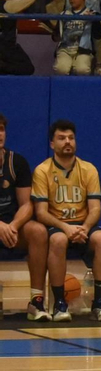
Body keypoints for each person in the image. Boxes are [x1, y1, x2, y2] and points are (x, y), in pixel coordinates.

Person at [26, 120, 101, 322]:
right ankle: (59, 304)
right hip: (56, 225)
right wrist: (65, 227)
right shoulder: (42, 171)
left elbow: (95, 208)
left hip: (84, 225)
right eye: (62, 138)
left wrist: (84, 227)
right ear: (51, 144)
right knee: (58, 241)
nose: (67, 142)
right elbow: (41, 212)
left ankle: (99, 303)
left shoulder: (89, 169)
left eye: (71, 138)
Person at [0, 113, 36, 310]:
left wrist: (12, 226)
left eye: (1, 129)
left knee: (37, 232)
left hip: (13, 229)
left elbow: (27, 204)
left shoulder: (17, 162)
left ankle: (37, 301)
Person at [0, 0, 37, 76]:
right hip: (7, 47)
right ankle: (2, 67)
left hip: (6, 47)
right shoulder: (9, 5)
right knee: (27, 68)